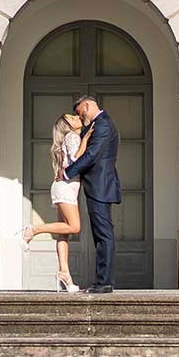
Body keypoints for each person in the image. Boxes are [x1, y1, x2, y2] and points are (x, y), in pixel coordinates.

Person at [62, 94, 122, 294]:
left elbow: (91, 155)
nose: (80, 117)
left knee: (104, 235)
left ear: (86, 106)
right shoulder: (97, 124)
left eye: (80, 112)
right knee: (101, 235)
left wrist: (66, 173)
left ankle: (104, 282)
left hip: (100, 187)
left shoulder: (103, 124)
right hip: (97, 186)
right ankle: (103, 281)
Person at [25, 112, 87, 294]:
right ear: (67, 124)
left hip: (63, 187)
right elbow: (77, 160)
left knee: (64, 234)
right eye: (73, 117)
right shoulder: (73, 136)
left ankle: (64, 274)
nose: (77, 117)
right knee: (74, 227)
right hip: (66, 188)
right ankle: (34, 229)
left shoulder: (67, 138)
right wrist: (86, 140)